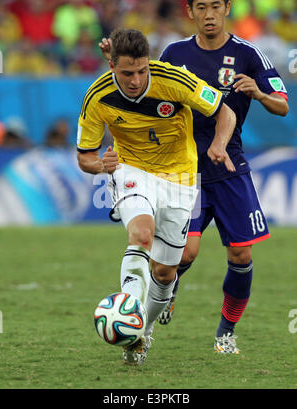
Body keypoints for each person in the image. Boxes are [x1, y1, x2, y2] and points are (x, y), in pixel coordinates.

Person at [78, 27, 236, 365]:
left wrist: (219, 144)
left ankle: (142, 333)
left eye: (141, 71)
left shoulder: (175, 80)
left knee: (166, 273)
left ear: (148, 63)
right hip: (131, 169)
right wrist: (102, 166)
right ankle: (129, 308)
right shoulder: (97, 97)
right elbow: (84, 156)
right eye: (126, 73)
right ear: (112, 67)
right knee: (141, 234)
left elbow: (225, 111)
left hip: (180, 175)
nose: (135, 80)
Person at [156, 0, 289, 354]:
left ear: (227, 8)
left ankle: (225, 332)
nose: (209, 14)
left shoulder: (249, 54)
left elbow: (283, 105)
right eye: (202, 7)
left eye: (216, 5)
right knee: (185, 254)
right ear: (190, 12)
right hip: (186, 170)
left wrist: (259, 93)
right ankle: (166, 293)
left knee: (241, 255)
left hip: (230, 167)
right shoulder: (173, 53)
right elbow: (152, 100)